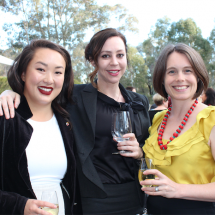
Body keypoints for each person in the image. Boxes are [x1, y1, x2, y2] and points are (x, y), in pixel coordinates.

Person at [0, 28, 150, 215]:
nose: (114, 62)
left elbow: (151, 146)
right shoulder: (74, 96)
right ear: (93, 60)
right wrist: (10, 93)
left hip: (136, 195)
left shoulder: (140, 101)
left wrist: (140, 152)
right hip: (93, 199)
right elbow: (41, 91)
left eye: (120, 55)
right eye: (105, 56)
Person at [0, 39, 82, 215]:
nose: (49, 79)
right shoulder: (6, 118)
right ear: (23, 73)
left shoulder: (66, 122)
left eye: (58, 72)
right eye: (40, 69)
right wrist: (19, 206)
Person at [140, 43, 215, 215]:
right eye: (172, 71)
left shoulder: (211, 119)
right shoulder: (157, 119)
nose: (180, 78)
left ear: (198, 76)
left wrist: (178, 189)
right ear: (162, 78)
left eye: (188, 70)